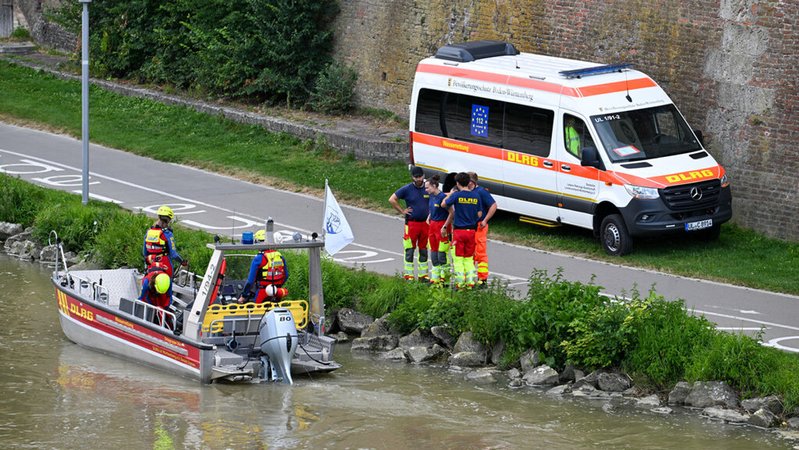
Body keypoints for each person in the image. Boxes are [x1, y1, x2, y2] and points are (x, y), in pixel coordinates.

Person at [441, 172, 482, 289]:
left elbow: (443, 204)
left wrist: (450, 195)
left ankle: (460, 284)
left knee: (458, 259)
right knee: (469, 258)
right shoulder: (476, 195)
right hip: (471, 231)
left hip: (459, 231)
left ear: (457, 183)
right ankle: (470, 283)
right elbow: (479, 213)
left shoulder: (457, 195)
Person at [389, 166, 430, 281]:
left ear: (423, 176)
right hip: (412, 224)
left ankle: (423, 276)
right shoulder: (407, 189)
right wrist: (402, 211)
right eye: (416, 177)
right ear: (412, 177)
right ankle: (409, 276)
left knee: (423, 250)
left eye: (420, 177)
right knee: (410, 250)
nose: (418, 179)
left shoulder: (428, 187)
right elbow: (392, 199)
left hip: (425, 224)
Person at [238, 230, 289, 304]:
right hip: (277, 292)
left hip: (262, 292)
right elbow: (286, 276)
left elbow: (250, 281)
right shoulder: (280, 257)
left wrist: (243, 296)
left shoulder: (258, 259)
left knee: (256, 313)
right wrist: (277, 285)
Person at [468, 172, 497, 286]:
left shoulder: (481, 192)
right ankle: (469, 277)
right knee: (469, 252)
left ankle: (482, 279)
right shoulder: (465, 191)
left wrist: (485, 220)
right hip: (468, 226)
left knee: (480, 252)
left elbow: (493, 206)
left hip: (479, 225)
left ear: (472, 182)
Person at [142, 205, 185, 277]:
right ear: (168, 220)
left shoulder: (149, 232)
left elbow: (145, 252)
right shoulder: (168, 234)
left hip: (151, 265)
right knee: (168, 286)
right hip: (165, 265)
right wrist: (182, 261)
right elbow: (173, 254)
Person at [425, 174, 451, 285]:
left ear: (434, 186)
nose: (426, 190)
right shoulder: (431, 196)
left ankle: (444, 279)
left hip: (441, 227)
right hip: (432, 226)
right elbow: (432, 209)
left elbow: (451, 213)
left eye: (428, 187)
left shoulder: (442, 198)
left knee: (442, 255)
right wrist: (429, 216)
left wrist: (445, 226)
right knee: (434, 255)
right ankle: (435, 279)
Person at [139, 262, 173, 328]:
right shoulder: (146, 281)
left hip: (162, 297)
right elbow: (143, 297)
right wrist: (152, 307)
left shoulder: (168, 280)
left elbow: (169, 296)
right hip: (150, 296)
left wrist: (166, 307)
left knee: (164, 311)